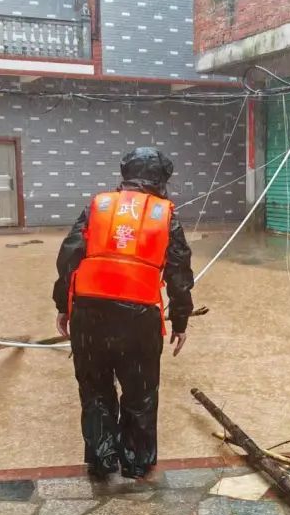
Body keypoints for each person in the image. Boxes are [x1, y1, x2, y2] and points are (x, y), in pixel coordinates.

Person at [53, 147, 194, 479]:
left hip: (89, 315)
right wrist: (181, 319)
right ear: (162, 180)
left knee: (95, 390)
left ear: (125, 175)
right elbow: (179, 271)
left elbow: (69, 256)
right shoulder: (165, 214)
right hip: (139, 318)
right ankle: (136, 462)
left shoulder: (98, 207)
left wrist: (64, 306)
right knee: (140, 393)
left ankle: (102, 460)